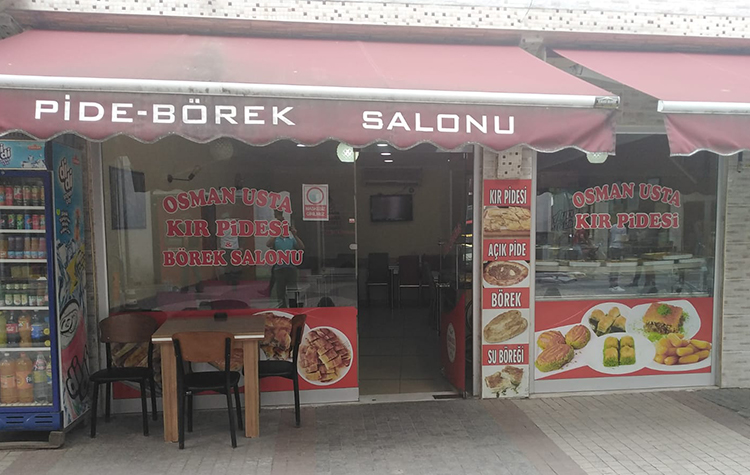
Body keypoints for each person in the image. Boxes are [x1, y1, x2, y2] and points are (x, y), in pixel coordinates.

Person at [266, 210, 305, 307]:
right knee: (280, 292)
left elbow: (301, 247)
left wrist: (295, 235)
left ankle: (293, 307)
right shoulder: (276, 239)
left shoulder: (291, 239)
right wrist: (276, 233)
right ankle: (282, 308)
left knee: (292, 290)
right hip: (279, 268)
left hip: (291, 268)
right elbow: (268, 244)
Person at [608, 224, 627, 292]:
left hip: (612, 246)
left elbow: (609, 236)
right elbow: (623, 239)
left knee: (613, 267)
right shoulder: (623, 228)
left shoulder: (613, 226)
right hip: (618, 247)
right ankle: (615, 285)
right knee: (616, 267)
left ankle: (611, 284)